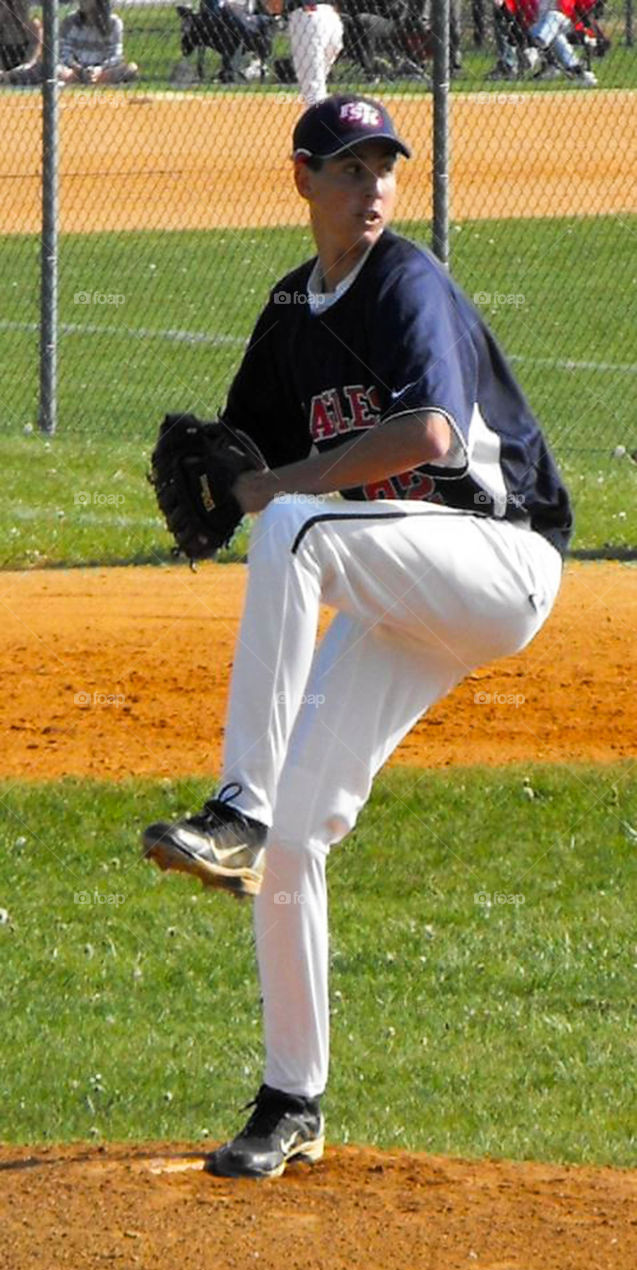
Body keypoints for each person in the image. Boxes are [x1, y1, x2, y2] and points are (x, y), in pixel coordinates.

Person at [143, 94, 572, 1180]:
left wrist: (268, 491)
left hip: (498, 559)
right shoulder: (293, 311)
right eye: (347, 168)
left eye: (383, 164)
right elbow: (242, 458)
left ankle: (231, 802)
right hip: (406, 589)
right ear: (303, 181)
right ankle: (293, 1097)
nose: (373, 185)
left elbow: (427, 432)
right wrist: (233, 481)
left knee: (295, 524)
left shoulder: (405, 282)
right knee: (300, 834)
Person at [58, 0, 138, 84]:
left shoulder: (114, 23)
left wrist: (99, 69)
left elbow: (115, 56)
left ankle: (96, 79)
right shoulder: (70, 21)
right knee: (55, 70)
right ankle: (82, 80)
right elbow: (64, 53)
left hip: (102, 71)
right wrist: (79, 69)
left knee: (131, 68)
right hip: (75, 71)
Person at [286, 0, 343, 104]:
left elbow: (275, 6)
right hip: (331, 17)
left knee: (313, 84)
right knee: (317, 79)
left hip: (308, 18)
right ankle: (323, 113)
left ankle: (320, 117)